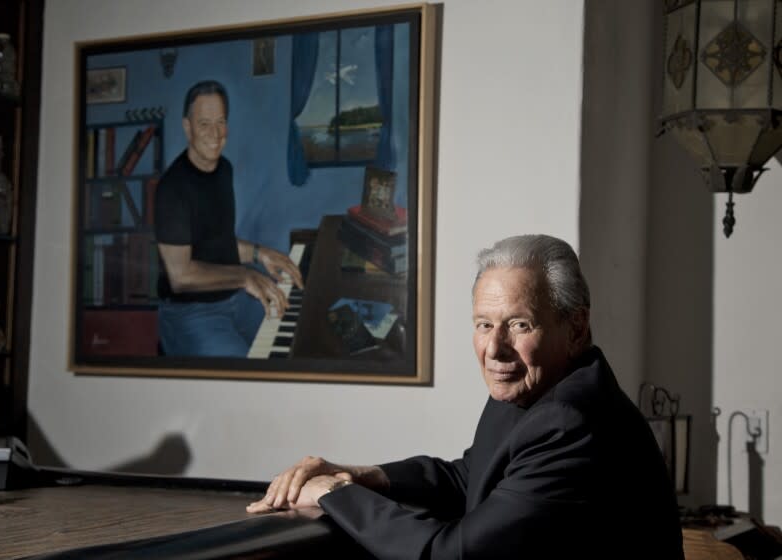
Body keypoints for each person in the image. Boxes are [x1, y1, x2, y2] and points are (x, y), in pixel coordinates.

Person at [247, 234, 685, 559]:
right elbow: (469, 477)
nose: (494, 349)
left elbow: (451, 554)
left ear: (575, 328)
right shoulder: (532, 385)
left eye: (519, 324)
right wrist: (357, 474)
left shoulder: (573, 421)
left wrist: (335, 493)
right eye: (483, 324)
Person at [154, 80, 302, 357]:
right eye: (204, 124)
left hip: (231, 299)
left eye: (221, 122)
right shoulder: (172, 189)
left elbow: (217, 244)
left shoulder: (224, 170)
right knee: (246, 383)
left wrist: (260, 254)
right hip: (189, 315)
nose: (215, 133)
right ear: (187, 127)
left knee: (293, 331)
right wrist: (244, 276)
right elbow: (180, 276)